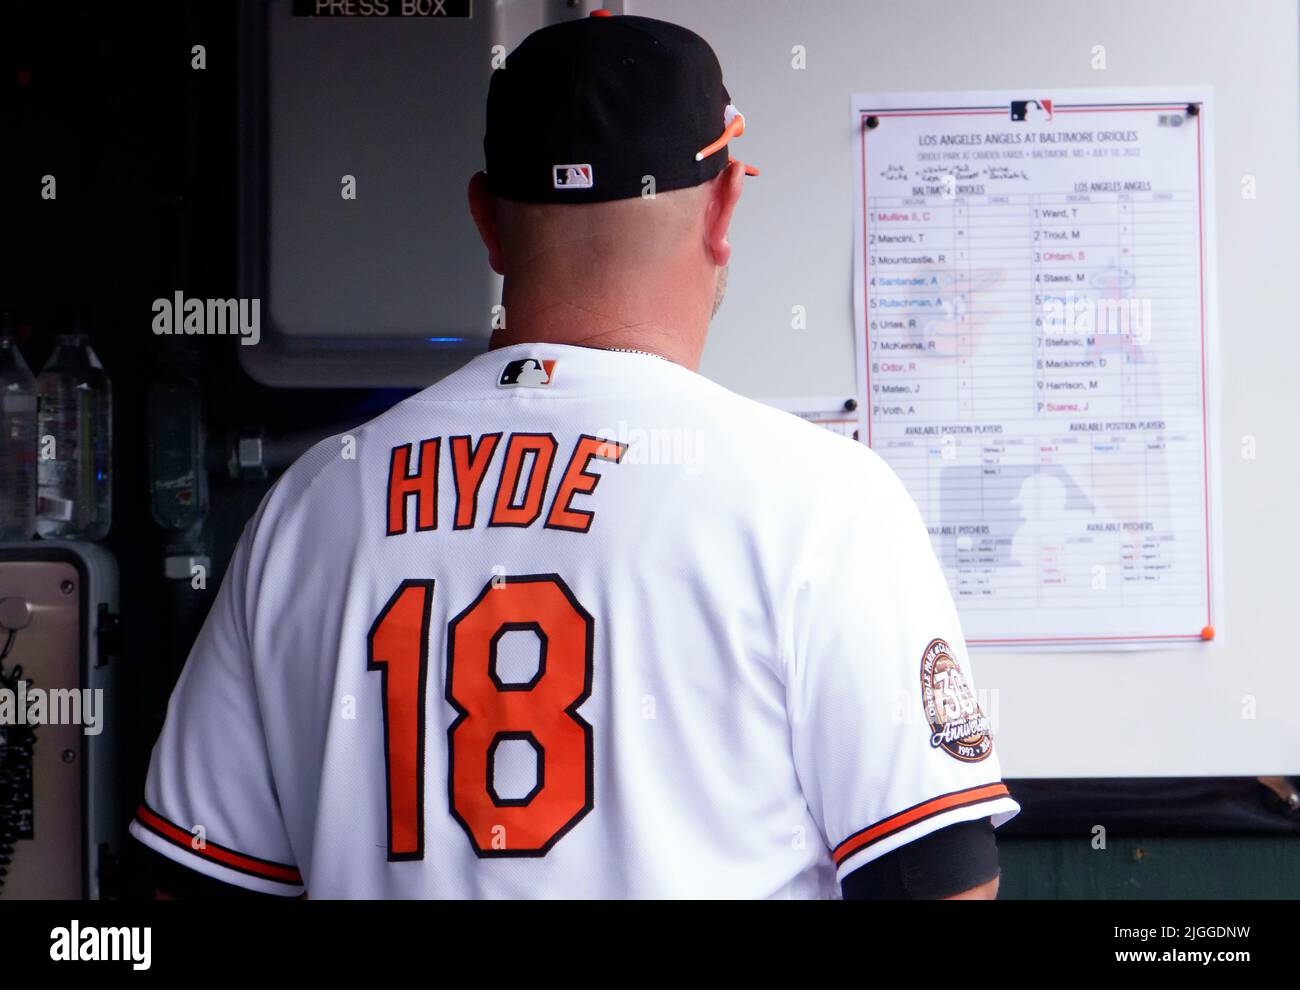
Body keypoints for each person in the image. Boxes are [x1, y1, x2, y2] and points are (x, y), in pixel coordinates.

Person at [132, 11, 1018, 900]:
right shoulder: (821, 503)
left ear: (485, 218)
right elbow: (937, 884)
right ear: (723, 207)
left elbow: (194, 885)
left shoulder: (314, 503)